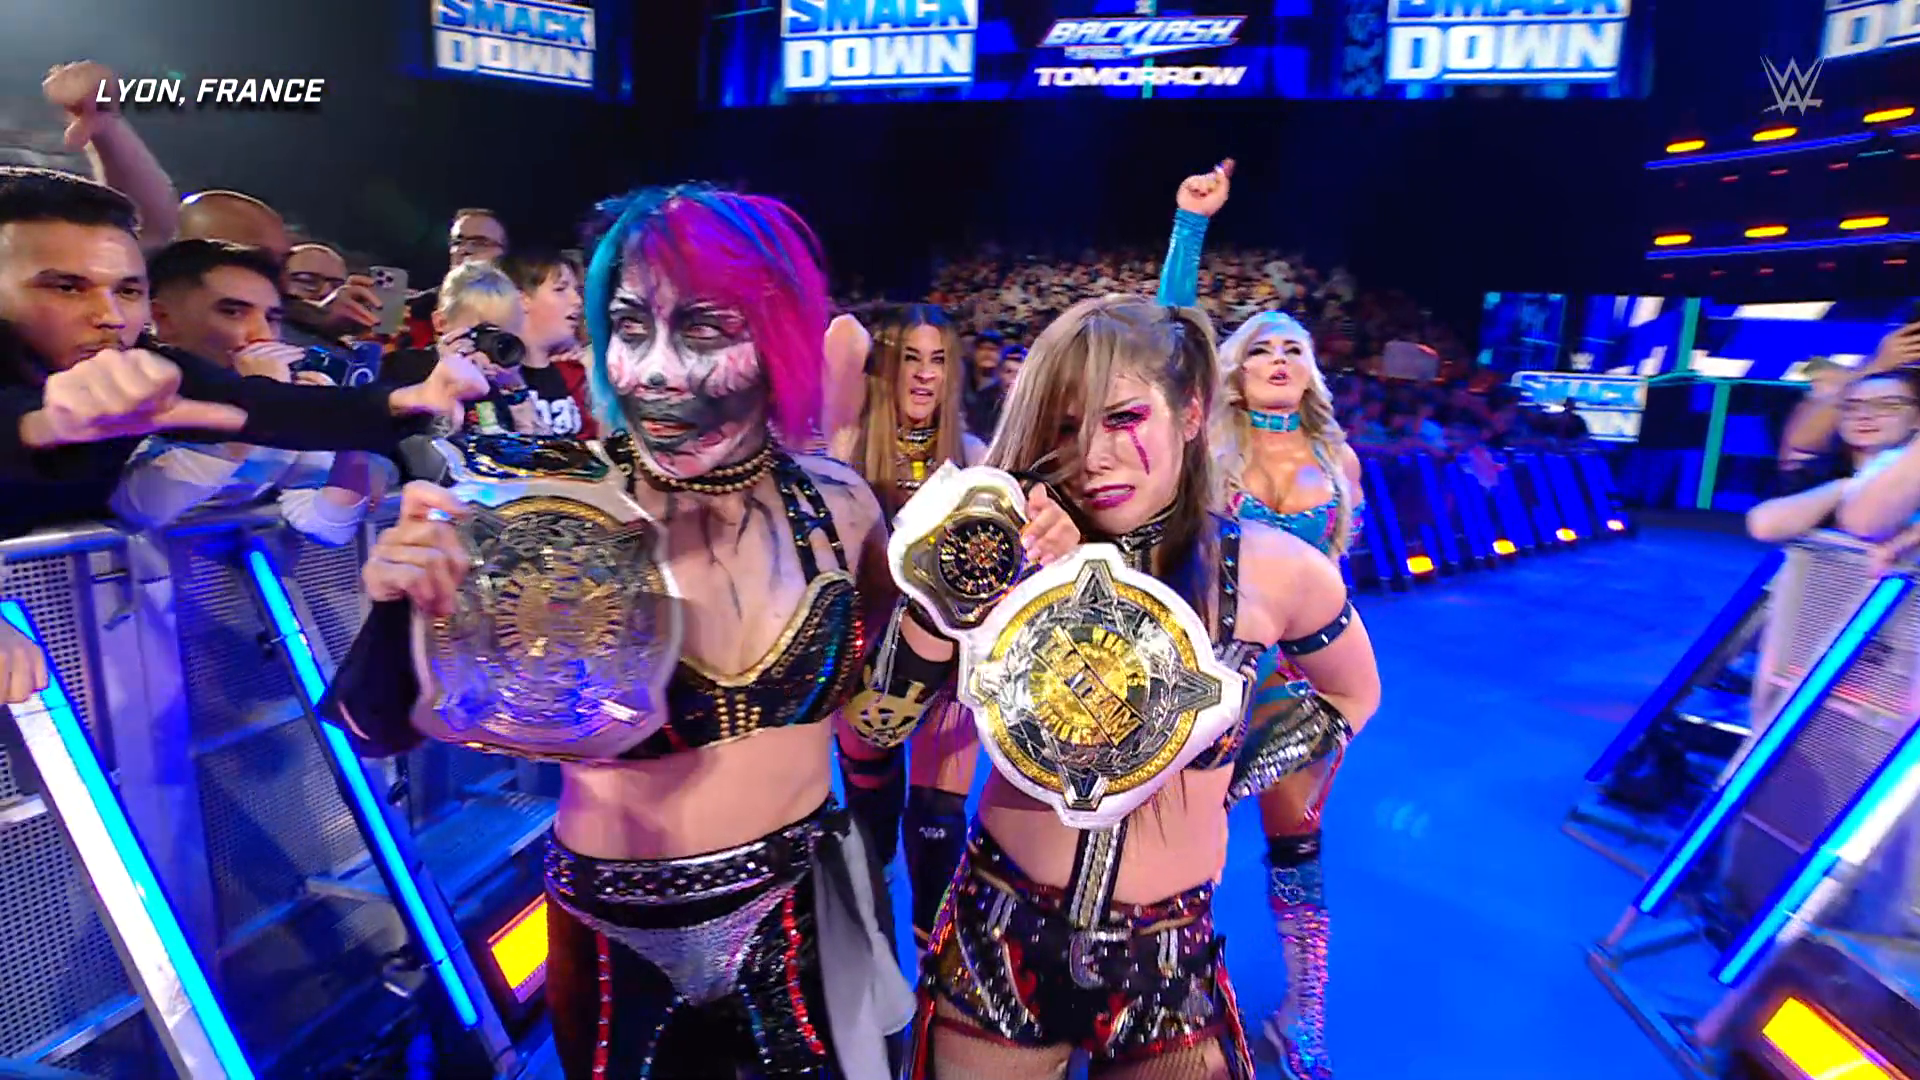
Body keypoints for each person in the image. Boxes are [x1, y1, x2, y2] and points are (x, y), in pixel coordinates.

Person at [316, 184, 1082, 1078]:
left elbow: (885, 714)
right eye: (630, 326)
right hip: (615, 936)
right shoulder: (546, 508)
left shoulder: (838, 508)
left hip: (803, 912)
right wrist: (398, 607)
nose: (659, 369)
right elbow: (372, 730)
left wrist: (994, 582)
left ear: (778, 333)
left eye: (707, 327)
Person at [883, 259, 1381, 1074]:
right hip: (997, 938)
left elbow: (1353, 690)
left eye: (1124, 418)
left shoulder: (1278, 569)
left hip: (1168, 960)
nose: (1093, 456)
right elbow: (881, 724)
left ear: (1191, 413)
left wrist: (1225, 760)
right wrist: (958, 586)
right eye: (1064, 428)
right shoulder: (1012, 543)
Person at [1161, 162, 1365, 1080]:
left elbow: (1337, 585)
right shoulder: (1209, 440)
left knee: (1298, 842)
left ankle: (1303, 1010)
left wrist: (1343, 687)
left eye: (1293, 348)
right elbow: (1171, 335)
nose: (1279, 358)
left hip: (1295, 686)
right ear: (1236, 375)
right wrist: (1190, 225)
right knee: (1185, 845)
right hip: (1204, 674)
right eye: (1261, 350)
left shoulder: (1337, 458)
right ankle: (1175, 992)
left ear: (1310, 371)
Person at [0, 167, 481, 537]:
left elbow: (267, 405)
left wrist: (413, 400)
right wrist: (39, 428)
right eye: (67, 287)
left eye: (127, 291)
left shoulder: (154, 365)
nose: (109, 315)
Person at [829, 303, 989, 953]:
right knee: (870, 835)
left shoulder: (975, 459)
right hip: (864, 669)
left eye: (939, 360)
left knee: (938, 829)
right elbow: (842, 337)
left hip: (949, 669)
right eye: (910, 358)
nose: (925, 374)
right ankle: (875, 970)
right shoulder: (845, 449)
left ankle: (936, 977)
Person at [110, 239, 394, 542]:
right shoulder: (124, 389)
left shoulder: (286, 397)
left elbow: (328, 528)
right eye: (233, 312)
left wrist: (350, 440)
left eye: (272, 318)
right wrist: (257, 404)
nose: (262, 335)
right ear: (162, 319)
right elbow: (141, 509)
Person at [1749, 369, 1920, 543]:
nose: (1865, 415)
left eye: (1888, 405)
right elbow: (1763, 526)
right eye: (1852, 407)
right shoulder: (1817, 471)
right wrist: (1847, 486)